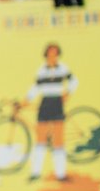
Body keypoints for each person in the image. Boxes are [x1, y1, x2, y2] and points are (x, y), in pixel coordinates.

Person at [26, 42, 76, 182]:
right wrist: (25, 101)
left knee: (58, 141)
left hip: (57, 103)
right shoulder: (41, 70)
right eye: (50, 53)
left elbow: (74, 81)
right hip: (45, 104)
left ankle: (61, 174)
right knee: (40, 140)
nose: (52, 56)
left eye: (55, 53)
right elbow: (35, 88)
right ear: (46, 55)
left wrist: (67, 93)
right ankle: (35, 173)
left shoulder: (63, 68)